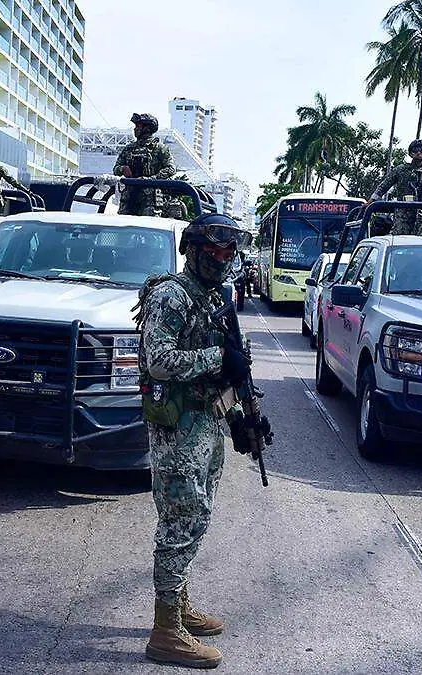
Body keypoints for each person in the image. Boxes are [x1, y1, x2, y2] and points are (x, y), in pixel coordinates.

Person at [134, 213, 252, 669]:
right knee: (182, 519)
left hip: (206, 421)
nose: (223, 260)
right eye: (215, 251)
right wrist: (217, 356)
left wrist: (244, 415)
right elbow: (158, 359)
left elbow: (232, 362)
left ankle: (178, 608)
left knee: (196, 514)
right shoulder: (172, 295)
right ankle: (165, 631)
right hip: (177, 426)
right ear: (193, 250)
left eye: (229, 252)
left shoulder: (215, 297)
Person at [368, 139, 422, 236]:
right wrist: (371, 200)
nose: (419, 153)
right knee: (400, 238)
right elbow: (384, 186)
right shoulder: (401, 170)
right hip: (403, 210)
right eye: (415, 150)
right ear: (410, 153)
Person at [115, 113, 176, 216]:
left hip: (150, 199)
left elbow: (171, 169)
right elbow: (116, 168)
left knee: (149, 228)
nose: (135, 129)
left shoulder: (160, 148)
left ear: (147, 128)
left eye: (138, 126)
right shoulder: (129, 148)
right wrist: (122, 169)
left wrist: (152, 179)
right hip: (129, 196)